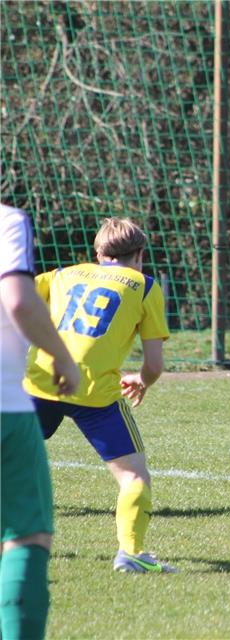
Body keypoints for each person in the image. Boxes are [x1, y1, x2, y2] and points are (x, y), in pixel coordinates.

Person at [23, 217, 176, 574]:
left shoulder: (63, 275)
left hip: (42, 381)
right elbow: (154, 364)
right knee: (134, 478)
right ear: (139, 254)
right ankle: (132, 553)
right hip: (95, 393)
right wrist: (141, 379)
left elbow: (14, 296)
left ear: (97, 253)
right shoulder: (144, 286)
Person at [1, 204, 80, 639]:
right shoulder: (7, 221)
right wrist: (60, 354)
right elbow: (18, 299)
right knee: (25, 536)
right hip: (6, 405)